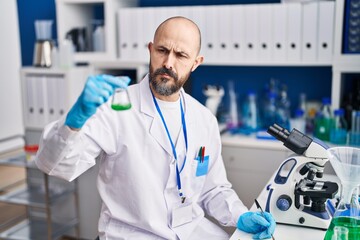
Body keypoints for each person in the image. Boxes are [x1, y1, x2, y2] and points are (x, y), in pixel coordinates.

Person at [35, 16, 275, 240]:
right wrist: (75, 121)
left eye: (181, 55)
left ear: (196, 63)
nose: (168, 63)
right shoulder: (116, 108)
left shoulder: (204, 119)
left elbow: (213, 188)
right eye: (162, 51)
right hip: (130, 234)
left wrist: (239, 215)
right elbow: (52, 165)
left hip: (191, 231)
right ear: (150, 50)